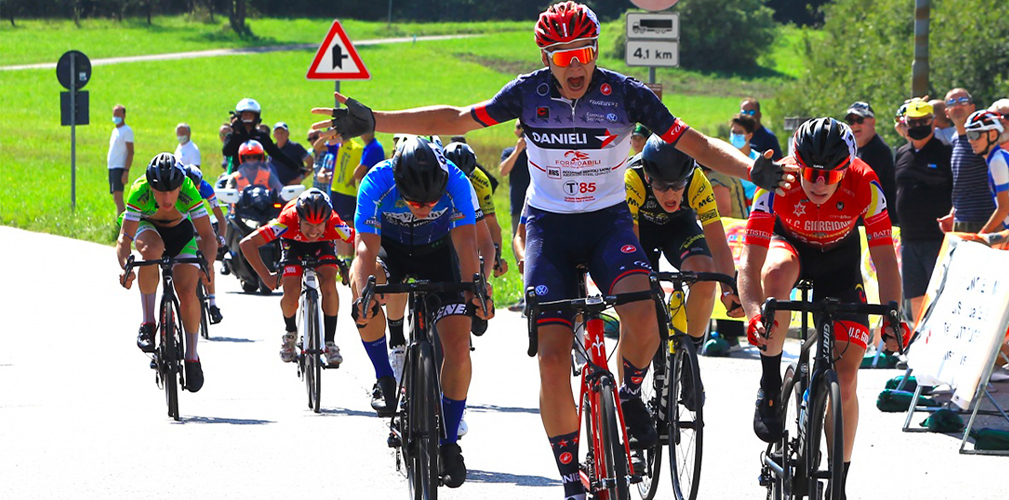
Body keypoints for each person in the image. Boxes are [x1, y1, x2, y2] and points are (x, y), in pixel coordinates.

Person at [310, 4, 793, 499]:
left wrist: (751, 168)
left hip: (607, 224)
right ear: (546, 58)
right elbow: (457, 118)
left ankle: (629, 394)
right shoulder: (528, 93)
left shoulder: (626, 94)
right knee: (553, 357)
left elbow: (696, 143)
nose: (575, 65)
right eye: (562, 56)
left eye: (583, 53)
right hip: (549, 230)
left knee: (644, 312)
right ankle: (569, 477)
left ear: (596, 51)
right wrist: (376, 120)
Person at [740, 118, 904, 499]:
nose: (818, 182)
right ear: (796, 164)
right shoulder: (776, 180)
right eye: (810, 173)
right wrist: (752, 313)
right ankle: (770, 384)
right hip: (790, 249)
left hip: (839, 263)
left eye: (829, 175)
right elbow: (750, 262)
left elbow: (884, 257)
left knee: (845, 381)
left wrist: (894, 316)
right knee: (775, 274)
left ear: (846, 169)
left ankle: (839, 485)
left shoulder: (865, 183)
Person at [350, 137, 494, 488]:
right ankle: (385, 378)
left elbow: (467, 244)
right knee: (366, 295)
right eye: (415, 202)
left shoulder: (457, 181)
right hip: (392, 251)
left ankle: (449, 443)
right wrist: (364, 295)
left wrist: (476, 292)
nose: (424, 208)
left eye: (431, 201)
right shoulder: (376, 181)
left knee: (458, 347)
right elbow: (365, 248)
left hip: (440, 252)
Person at [625, 134, 742, 347]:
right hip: (640, 231)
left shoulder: (697, 180)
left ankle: (689, 353)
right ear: (648, 177)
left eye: (679, 184)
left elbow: (718, 244)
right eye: (661, 185)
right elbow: (630, 243)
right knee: (637, 303)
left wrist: (728, 289)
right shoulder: (632, 178)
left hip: (679, 228)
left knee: (705, 276)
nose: (671, 193)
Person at [116, 153, 218, 392]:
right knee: (151, 252)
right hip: (148, 229)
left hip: (181, 233)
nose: (166, 197)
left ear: (180, 186)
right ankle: (148, 322)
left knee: (187, 291)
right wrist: (125, 266)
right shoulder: (139, 191)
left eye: (171, 191)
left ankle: (192, 356)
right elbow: (124, 239)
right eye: (160, 191)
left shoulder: (189, 191)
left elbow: (208, 236)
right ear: (151, 187)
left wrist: (208, 265)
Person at [239, 188, 353, 366]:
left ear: (327, 221)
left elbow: (362, 241)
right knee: (291, 292)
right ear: (298, 218)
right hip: (293, 244)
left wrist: (356, 270)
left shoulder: (334, 224)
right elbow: (247, 243)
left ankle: (330, 343)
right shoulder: (286, 221)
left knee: (329, 286)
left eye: (319, 225)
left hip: (323, 245)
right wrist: (266, 277)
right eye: (308, 224)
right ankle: (290, 333)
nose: (313, 231)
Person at [893, 99, 952, 321]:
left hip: (937, 239)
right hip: (909, 240)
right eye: (913, 122)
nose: (918, 126)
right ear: (905, 123)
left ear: (933, 122)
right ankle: (918, 338)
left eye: (923, 121)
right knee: (914, 296)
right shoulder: (902, 153)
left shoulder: (946, 152)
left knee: (939, 294)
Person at [938, 88, 995, 234]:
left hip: (986, 221)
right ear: (947, 112)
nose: (957, 106)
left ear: (972, 107)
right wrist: (953, 213)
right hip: (962, 221)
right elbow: (962, 183)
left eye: (963, 101)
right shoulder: (955, 139)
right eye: (952, 103)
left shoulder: (983, 138)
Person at [183, 165, 227, 324]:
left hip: (198, 218)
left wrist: (221, 236)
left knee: (208, 261)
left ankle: (213, 304)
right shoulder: (179, 189)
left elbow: (220, 218)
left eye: (197, 186)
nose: (196, 189)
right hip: (184, 219)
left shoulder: (205, 188)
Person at [843, 101, 897, 224]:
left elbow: (862, 189)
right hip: (862, 219)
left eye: (860, 120)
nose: (855, 125)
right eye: (851, 121)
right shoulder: (854, 149)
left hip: (876, 221)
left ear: (872, 122)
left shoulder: (878, 150)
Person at [222, 98, 302, 177]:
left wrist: (297, 168)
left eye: (251, 115)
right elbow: (227, 152)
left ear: (256, 117)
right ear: (239, 116)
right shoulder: (232, 136)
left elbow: (277, 154)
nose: (248, 118)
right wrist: (236, 132)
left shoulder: (261, 136)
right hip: (238, 176)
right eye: (245, 115)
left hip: (260, 177)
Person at [964, 110, 1009, 234]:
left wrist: (982, 234)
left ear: (993, 135)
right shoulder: (999, 157)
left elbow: (1004, 208)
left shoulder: (997, 161)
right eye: (969, 135)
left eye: (975, 134)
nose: (970, 140)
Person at [107, 104, 134, 215]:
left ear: (124, 115)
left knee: (118, 197)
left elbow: (130, 152)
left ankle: (123, 221)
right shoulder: (115, 131)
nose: (116, 117)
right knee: (115, 197)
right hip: (112, 166)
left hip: (119, 167)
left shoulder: (127, 131)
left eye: (118, 114)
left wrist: (126, 171)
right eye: (114, 114)